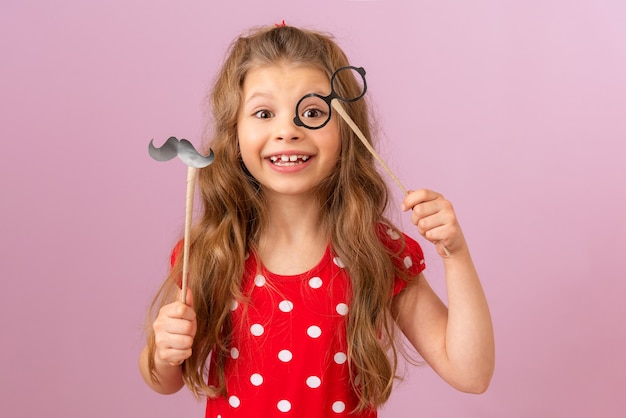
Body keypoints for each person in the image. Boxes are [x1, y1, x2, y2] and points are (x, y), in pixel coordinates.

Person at [139, 24, 494, 418]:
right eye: (263, 113)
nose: (287, 131)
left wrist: (455, 255)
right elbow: (163, 381)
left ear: (345, 128)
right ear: (233, 131)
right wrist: (165, 353)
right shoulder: (213, 251)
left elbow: (471, 373)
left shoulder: (375, 251)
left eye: (311, 112)